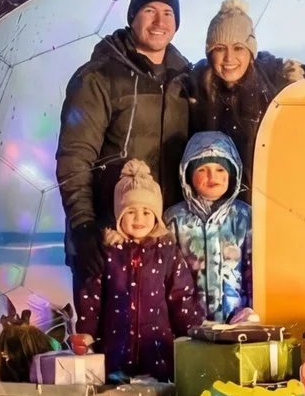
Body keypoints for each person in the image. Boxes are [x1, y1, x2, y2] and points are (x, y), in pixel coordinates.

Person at [58, 0, 194, 294]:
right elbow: (75, 156)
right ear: (132, 17)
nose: (159, 21)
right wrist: (84, 226)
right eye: (149, 10)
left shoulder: (185, 80)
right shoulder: (98, 77)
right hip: (109, 238)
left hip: (162, 244)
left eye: (168, 13)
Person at [72, 160, 205, 380]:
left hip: (158, 354)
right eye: (131, 212)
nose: (139, 219)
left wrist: (195, 330)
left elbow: (181, 295)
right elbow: (91, 298)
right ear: (119, 216)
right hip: (114, 355)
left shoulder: (166, 252)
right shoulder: (109, 252)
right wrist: (86, 333)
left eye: (146, 212)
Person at [191, 0, 295, 183]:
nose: (229, 58)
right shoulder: (194, 90)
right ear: (209, 53)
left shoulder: (276, 86)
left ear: (251, 51)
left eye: (238, 47)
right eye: (220, 48)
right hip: (215, 197)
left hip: (265, 195)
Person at [169, 131, 255, 323]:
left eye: (220, 170)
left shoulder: (244, 217)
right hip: (189, 324)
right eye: (202, 169)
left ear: (233, 173)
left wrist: (252, 310)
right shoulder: (175, 219)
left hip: (236, 321)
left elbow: (255, 271)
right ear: (188, 174)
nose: (211, 176)